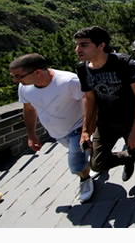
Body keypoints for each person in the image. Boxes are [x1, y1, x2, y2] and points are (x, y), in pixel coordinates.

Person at [74, 26, 135, 197]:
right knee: (97, 163)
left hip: (128, 117)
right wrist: (86, 130)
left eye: (84, 45)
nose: (78, 49)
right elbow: (90, 98)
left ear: (101, 45)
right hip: (104, 121)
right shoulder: (82, 69)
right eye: (78, 44)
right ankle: (127, 158)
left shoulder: (123, 63)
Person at [9, 53, 94, 203]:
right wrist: (31, 134)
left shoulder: (68, 81)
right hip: (57, 133)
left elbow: (90, 100)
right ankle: (94, 156)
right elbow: (29, 109)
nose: (15, 80)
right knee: (83, 153)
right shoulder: (24, 87)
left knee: (76, 164)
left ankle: (85, 180)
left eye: (18, 76)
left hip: (77, 128)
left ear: (37, 72)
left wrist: (87, 130)